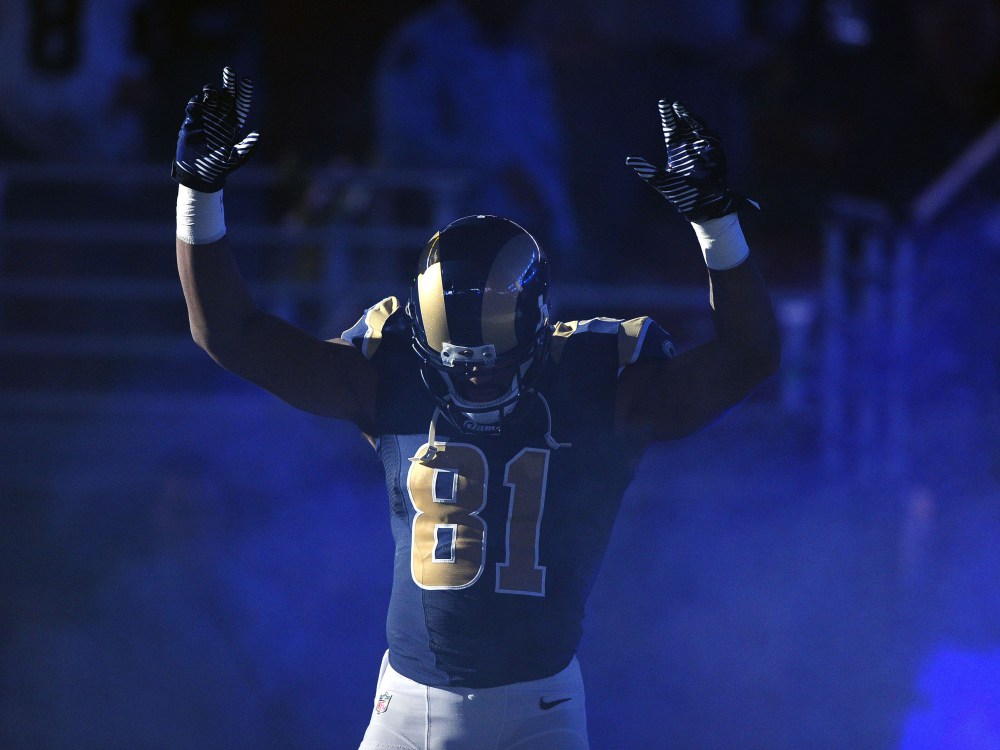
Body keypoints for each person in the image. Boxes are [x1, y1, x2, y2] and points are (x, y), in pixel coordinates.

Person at [172, 68, 780, 749]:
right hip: (403, 709)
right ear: (423, 339)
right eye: (456, 361)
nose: (475, 380)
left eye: (492, 359)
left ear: (538, 329)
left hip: (536, 714)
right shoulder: (391, 373)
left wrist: (717, 223)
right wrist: (198, 195)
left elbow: (747, 358)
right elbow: (229, 333)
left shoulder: (600, 383)